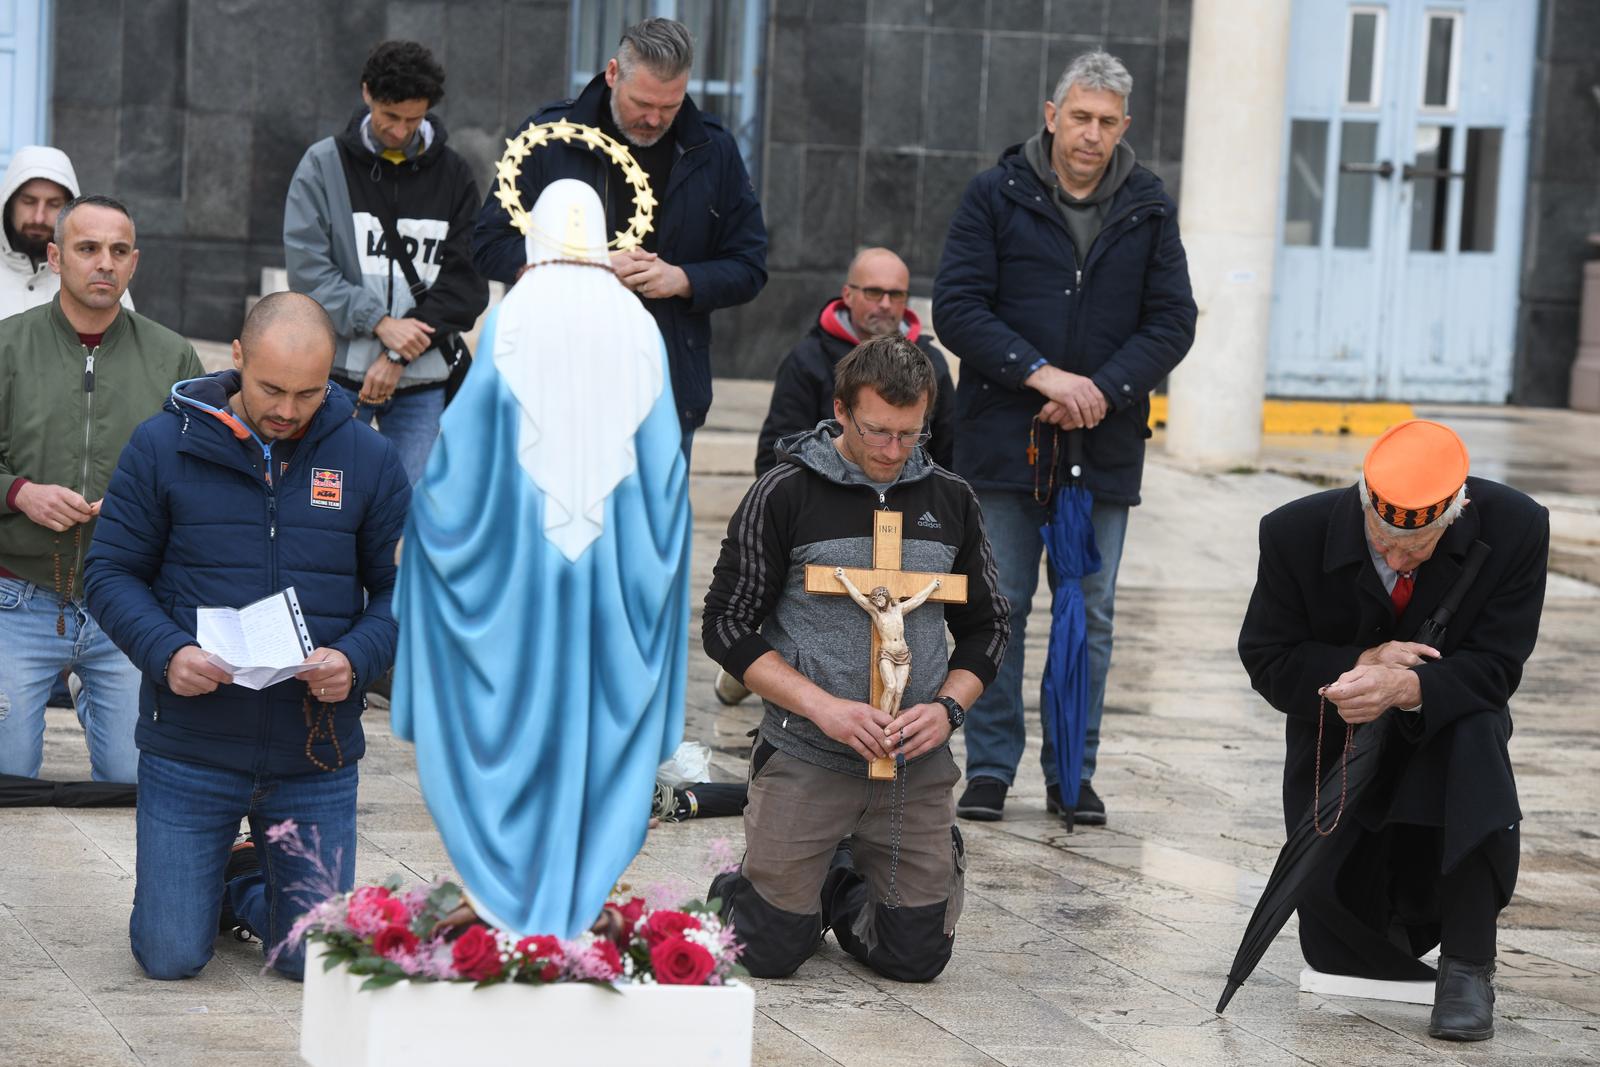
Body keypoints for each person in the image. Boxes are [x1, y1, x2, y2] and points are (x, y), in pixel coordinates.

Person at [392, 178, 691, 938]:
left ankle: (507, 891)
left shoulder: (517, 313)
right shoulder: (639, 325)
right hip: (614, 592)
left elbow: (458, 468)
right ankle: (576, 898)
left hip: (516, 588)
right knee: (593, 731)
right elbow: (666, 484)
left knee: (513, 717)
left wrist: (428, 524)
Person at [83, 292, 410, 980]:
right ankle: (223, 875)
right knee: (171, 956)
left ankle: (247, 883)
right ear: (236, 359)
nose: (289, 410)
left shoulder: (370, 460)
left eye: (309, 393)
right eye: (271, 389)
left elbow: (400, 594)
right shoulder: (159, 445)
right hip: (193, 746)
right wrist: (166, 652)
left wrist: (356, 658)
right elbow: (108, 573)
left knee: (311, 962)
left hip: (312, 750)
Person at [932, 50, 1195, 826]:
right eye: (1079, 117)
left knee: (1091, 611)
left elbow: (1173, 320)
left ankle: (1071, 776)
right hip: (1006, 444)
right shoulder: (995, 195)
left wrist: (1101, 391)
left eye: (1108, 122)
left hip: (1101, 450)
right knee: (1000, 604)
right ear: (1051, 115)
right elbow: (958, 306)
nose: (1091, 134)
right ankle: (988, 769)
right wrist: (1043, 375)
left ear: (1126, 127)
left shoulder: (1148, 206)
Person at [703, 336, 1008, 982]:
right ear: (840, 410)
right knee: (768, 951)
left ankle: (839, 883)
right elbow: (726, 625)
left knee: (916, 956)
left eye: (910, 433)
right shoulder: (785, 493)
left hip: (912, 763)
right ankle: (763, 888)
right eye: (877, 431)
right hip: (810, 751)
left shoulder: (950, 499)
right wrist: (826, 708)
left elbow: (989, 628)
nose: (893, 451)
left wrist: (948, 709)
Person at [1238, 419, 1549, 1043]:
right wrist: (1360, 665)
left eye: (1419, 548)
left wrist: (1410, 688)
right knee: (1338, 948)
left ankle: (1467, 962)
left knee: (1475, 729)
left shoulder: (1517, 525)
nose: (1399, 558)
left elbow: (1497, 667)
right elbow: (1267, 659)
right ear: (1363, 505)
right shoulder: (1292, 532)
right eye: (1385, 545)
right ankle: (1395, 924)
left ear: (1455, 517)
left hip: (1454, 728)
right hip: (1341, 734)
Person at [471, 16, 767, 453]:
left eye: (672, 106)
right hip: (559, 382)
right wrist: (589, 264)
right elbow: (489, 246)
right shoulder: (548, 137)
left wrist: (682, 280)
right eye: (643, 102)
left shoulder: (712, 148)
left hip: (668, 383)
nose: (654, 119)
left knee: (657, 522)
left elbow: (749, 264)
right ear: (613, 74)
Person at [0, 195, 202, 784]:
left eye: (118, 251)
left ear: (134, 263)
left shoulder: (175, 357)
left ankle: (102, 707)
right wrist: (21, 494)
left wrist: (144, 504)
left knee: (132, 782)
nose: (104, 264)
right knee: (7, 777)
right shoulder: (6, 347)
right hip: (18, 598)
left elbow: (202, 474)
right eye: (88, 249)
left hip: (130, 603)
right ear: (57, 257)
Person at [284, 39, 489, 485]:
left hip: (422, 384)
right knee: (326, 504)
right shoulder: (323, 165)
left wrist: (396, 352)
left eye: (413, 119)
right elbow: (309, 271)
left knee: (408, 512)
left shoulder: (454, 174)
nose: (399, 130)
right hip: (335, 379)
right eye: (390, 116)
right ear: (366, 94)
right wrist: (377, 320)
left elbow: (465, 283)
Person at [755, 247, 957, 476]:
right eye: (874, 292)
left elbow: (948, 451)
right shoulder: (807, 359)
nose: (885, 304)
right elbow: (779, 451)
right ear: (848, 294)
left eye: (896, 294)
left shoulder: (931, 363)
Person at [2, 147, 134, 319]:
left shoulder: (100, 277)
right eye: (29, 202)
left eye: (53, 204)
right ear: (9, 204)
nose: (39, 218)